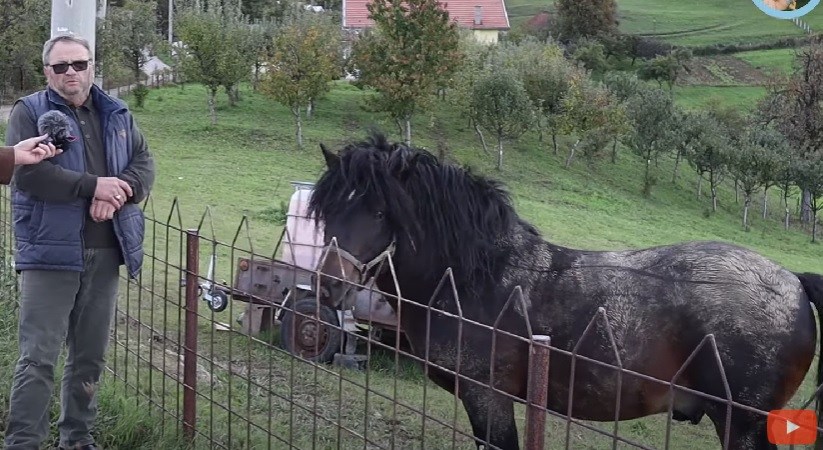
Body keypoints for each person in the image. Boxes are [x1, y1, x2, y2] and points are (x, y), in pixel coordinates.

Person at [3, 33, 155, 450]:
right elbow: (28, 173)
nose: (72, 73)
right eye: (61, 66)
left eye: (79, 64)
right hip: (49, 253)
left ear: (92, 65)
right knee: (38, 358)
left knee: (89, 356)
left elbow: (144, 163)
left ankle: (77, 438)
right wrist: (93, 187)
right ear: (47, 72)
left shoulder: (117, 112)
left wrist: (118, 190)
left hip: (106, 249)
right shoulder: (30, 112)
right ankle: (23, 442)